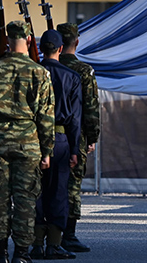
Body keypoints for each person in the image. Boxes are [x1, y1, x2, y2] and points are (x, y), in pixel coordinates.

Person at [0, 21, 54, 263]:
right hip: (27, 144)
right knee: (25, 200)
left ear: (7, 40)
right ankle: (21, 254)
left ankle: (1, 253)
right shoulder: (39, 72)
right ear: (29, 40)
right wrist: (47, 151)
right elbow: (46, 116)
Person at [30, 29, 82, 260]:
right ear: (61, 49)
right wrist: (74, 149)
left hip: (34, 139)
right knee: (59, 192)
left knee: (36, 191)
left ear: (41, 49)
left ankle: (36, 243)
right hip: (60, 139)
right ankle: (53, 243)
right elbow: (75, 118)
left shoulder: (33, 73)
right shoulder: (71, 76)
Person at [55, 22, 101, 254]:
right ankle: (69, 235)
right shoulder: (83, 70)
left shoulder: (44, 66)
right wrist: (92, 136)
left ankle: (46, 234)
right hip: (75, 135)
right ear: (77, 42)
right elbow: (91, 107)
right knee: (72, 185)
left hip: (46, 134)